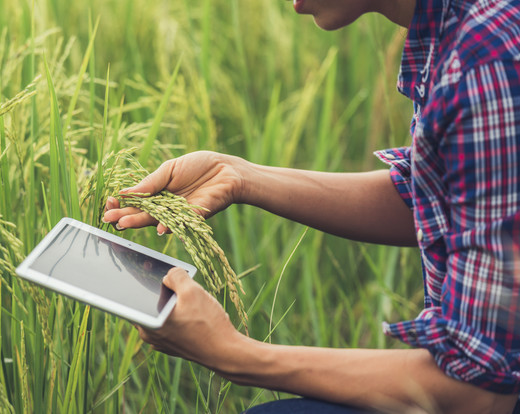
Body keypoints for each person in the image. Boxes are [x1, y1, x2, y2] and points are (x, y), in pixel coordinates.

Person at [102, 0, 520, 412]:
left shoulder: (484, 60)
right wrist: (239, 175)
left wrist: (230, 353)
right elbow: (443, 200)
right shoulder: (458, 28)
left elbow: (477, 392)